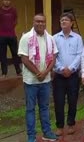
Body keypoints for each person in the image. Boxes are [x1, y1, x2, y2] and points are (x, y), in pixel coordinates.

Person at [18, 14, 58, 142]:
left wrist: (46, 72)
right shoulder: (26, 38)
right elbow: (24, 59)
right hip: (31, 81)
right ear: (33, 22)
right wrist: (37, 73)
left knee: (45, 107)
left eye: (42, 21)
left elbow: (53, 57)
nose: (40, 24)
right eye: (37, 21)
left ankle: (47, 132)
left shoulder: (50, 38)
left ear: (45, 23)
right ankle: (31, 136)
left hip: (45, 81)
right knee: (30, 109)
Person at [52, 13, 83, 136]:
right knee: (58, 101)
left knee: (72, 100)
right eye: (62, 20)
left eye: (66, 20)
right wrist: (60, 68)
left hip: (73, 76)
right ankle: (59, 126)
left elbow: (79, 55)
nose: (63, 21)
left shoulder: (77, 38)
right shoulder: (54, 38)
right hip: (59, 76)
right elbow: (53, 56)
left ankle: (71, 124)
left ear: (71, 23)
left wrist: (70, 68)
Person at [0, 0, 22, 77]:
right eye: (5, 0)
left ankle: (18, 72)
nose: (7, 1)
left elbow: (16, 20)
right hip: (1, 36)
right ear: (2, 1)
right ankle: (4, 73)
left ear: (10, 1)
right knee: (2, 55)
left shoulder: (13, 10)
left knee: (15, 54)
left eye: (8, 0)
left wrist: (11, 26)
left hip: (12, 35)